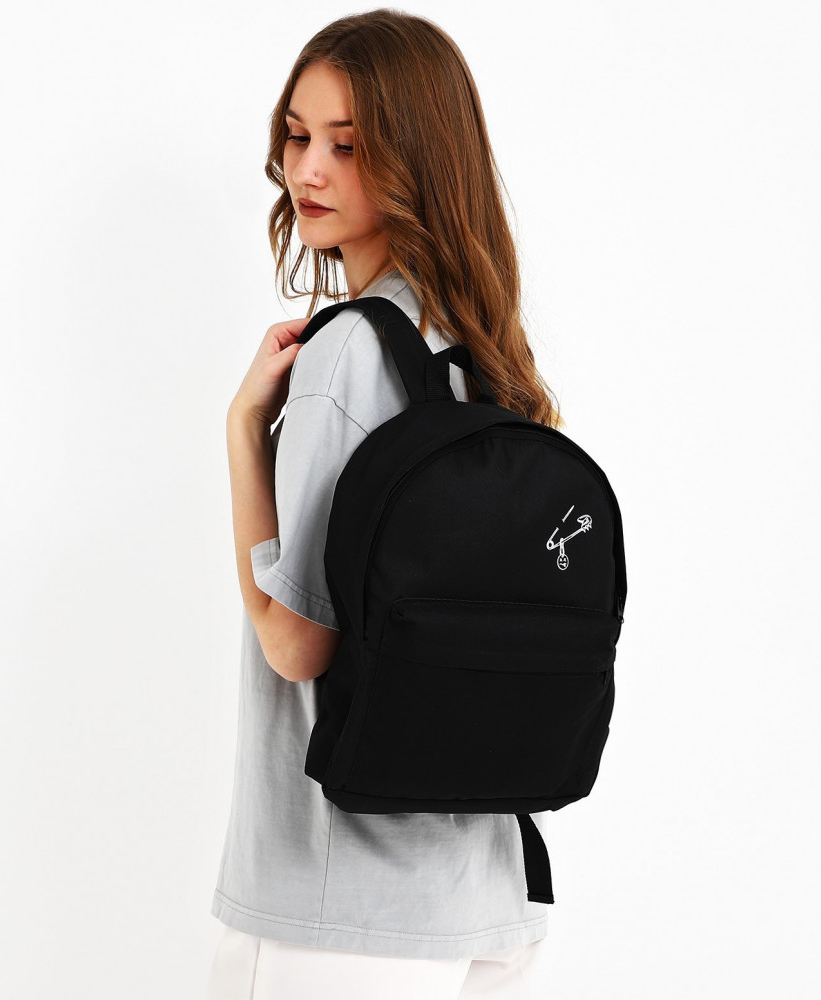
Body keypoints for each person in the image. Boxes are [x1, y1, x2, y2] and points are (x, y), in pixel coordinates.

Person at [210, 9, 563, 998]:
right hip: (486, 883)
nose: (307, 170)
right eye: (296, 135)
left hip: (339, 907)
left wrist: (242, 432)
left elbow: (295, 644)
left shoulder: (348, 355)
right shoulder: (478, 346)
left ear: (418, 159)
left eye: (348, 145)